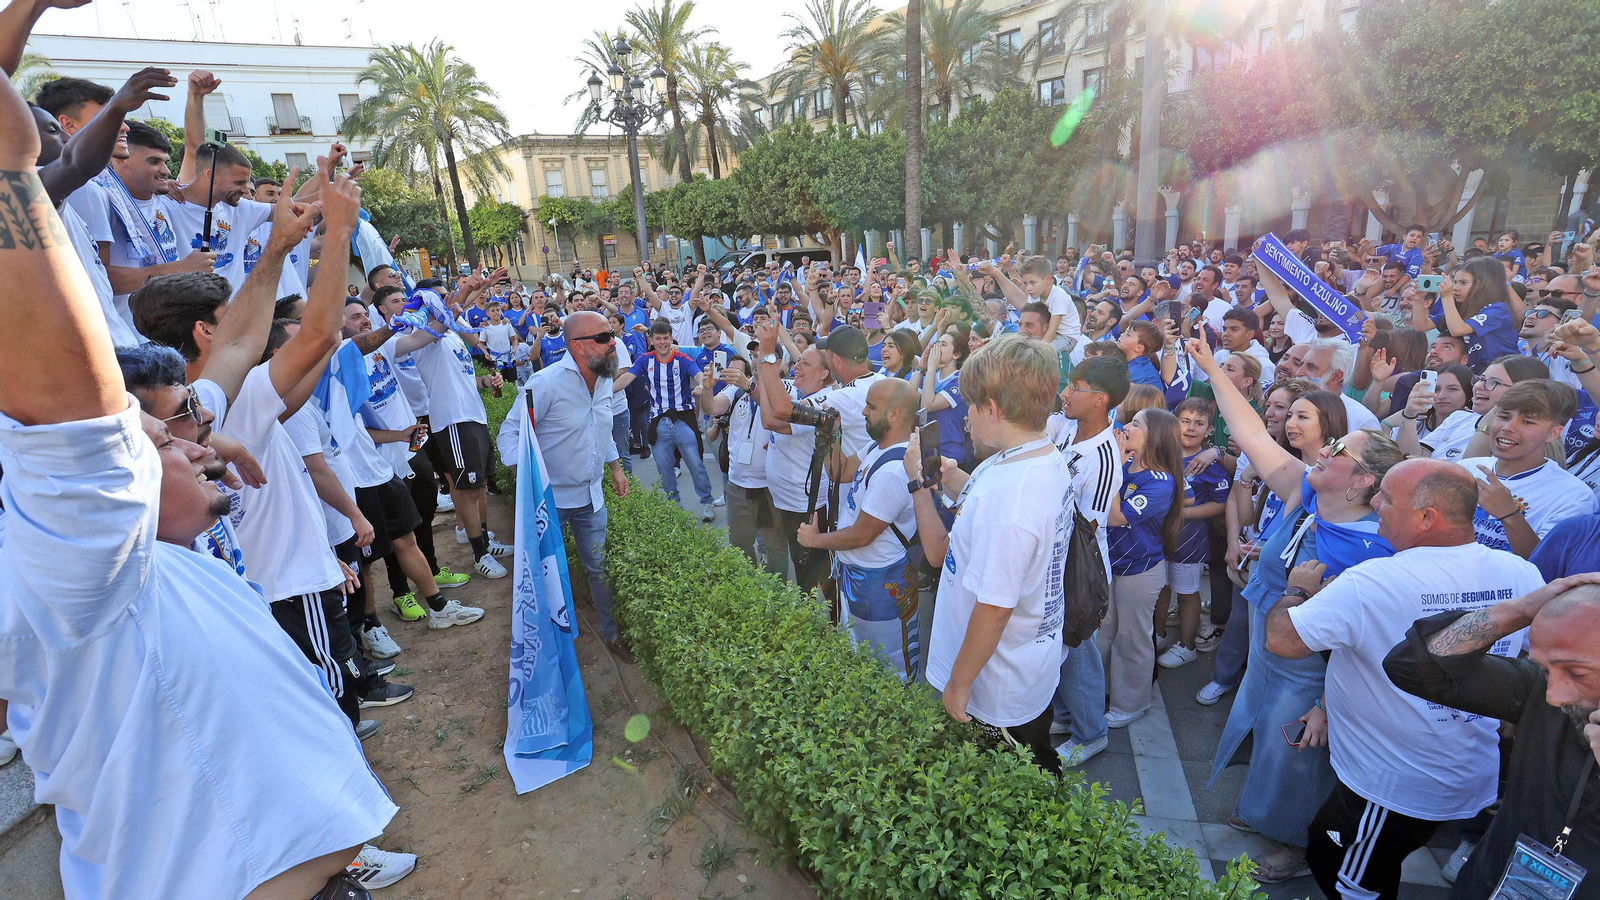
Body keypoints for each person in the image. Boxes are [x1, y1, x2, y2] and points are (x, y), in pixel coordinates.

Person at [0, 66, 396, 895]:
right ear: (113, 481)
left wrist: (290, 245)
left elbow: (238, 350)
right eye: (168, 433)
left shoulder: (150, 558)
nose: (200, 443)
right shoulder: (93, 570)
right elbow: (68, 400)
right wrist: (11, 168)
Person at [1264, 459, 1547, 900]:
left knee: (1346, 877)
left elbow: (1283, 640)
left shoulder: (1373, 581)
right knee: (1361, 856)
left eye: (1386, 499)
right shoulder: (1521, 573)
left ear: (1427, 517)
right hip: (1461, 768)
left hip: (1393, 782)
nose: (1374, 503)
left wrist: (1296, 590)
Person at [1382, 573, 1600, 900]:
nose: (1555, 695)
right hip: (1491, 884)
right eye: (1544, 669)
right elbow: (1411, 666)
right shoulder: (1539, 693)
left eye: (1577, 673)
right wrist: (1519, 610)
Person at [915, 335, 1076, 774]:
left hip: (997, 688)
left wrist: (959, 683)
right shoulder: (1032, 454)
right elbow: (988, 510)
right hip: (1024, 663)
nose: (965, 416)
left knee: (1021, 787)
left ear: (994, 409)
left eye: (970, 404)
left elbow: (994, 607)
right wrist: (953, 479)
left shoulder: (1011, 500)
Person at [498, 310, 633, 658]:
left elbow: (600, 429)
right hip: (550, 502)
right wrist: (525, 477)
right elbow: (510, 433)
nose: (613, 343)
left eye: (612, 335)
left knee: (599, 568)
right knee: (546, 574)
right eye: (603, 338)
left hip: (592, 499)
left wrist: (616, 467)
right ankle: (549, 643)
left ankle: (611, 633)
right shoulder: (545, 383)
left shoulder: (604, 379)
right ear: (576, 346)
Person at [798, 378, 923, 679]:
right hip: (859, 575)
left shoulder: (894, 470)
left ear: (894, 414)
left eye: (871, 406)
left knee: (888, 667)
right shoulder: (877, 446)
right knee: (861, 656)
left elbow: (862, 534)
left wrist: (815, 540)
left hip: (878, 583)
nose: (864, 411)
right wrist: (833, 433)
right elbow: (840, 470)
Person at [1045, 356, 1130, 766]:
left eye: (1074, 386)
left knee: (1078, 652)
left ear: (1100, 400)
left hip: (1077, 571)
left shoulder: (1104, 456)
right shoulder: (1066, 430)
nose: (1065, 393)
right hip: (1056, 564)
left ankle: (1091, 733)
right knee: (1058, 649)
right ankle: (1067, 716)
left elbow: (1089, 528)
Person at [1102, 407, 1185, 727]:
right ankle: (1108, 691)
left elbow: (1116, 516)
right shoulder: (1125, 465)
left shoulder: (1161, 482)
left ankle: (1131, 703)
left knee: (1132, 638)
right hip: (1111, 562)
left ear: (1154, 437)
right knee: (1105, 632)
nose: (1125, 427)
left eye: (1136, 424)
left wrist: (1113, 468)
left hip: (1140, 569)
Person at [1457, 379, 1595, 557]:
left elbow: (1547, 567)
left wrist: (1509, 514)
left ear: (1553, 433)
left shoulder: (1574, 496)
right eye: (1504, 416)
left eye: (1527, 422)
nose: (1508, 428)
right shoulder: (1464, 470)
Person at [613, 319, 719, 520]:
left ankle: (707, 501)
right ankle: (674, 505)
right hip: (659, 421)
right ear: (651, 340)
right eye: (658, 338)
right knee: (664, 468)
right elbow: (627, 379)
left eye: (666, 338)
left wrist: (705, 383)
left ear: (671, 339)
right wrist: (602, 391)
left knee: (695, 463)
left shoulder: (683, 359)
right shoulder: (645, 360)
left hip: (683, 418)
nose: (662, 342)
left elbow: (698, 376)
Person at [1154, 398, 1230, 668]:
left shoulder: (1209, 464)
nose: (1190, 428)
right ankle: (1159, 634)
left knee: (1187, 593)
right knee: (1161, 588)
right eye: (1185, 421)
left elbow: (1220, 503)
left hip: (1190, 543)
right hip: (1156, 540)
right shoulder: (1162, 453)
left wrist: (1182, 513)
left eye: (1199, 423)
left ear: (1209, 430)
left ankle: (1187, 645)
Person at [702, 357, 788, 578]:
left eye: (764, 355)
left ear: (778, 363)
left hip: (771, 488)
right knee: (740, 547)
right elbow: (711, 407)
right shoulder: (735, 390)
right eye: (755, 356)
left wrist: (749, 387)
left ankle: (777, 595)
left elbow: (779, 413)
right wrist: (707, 389)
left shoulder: (786, 389)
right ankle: (747, 595)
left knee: (775, 547)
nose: (758, 360)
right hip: (738, 486)